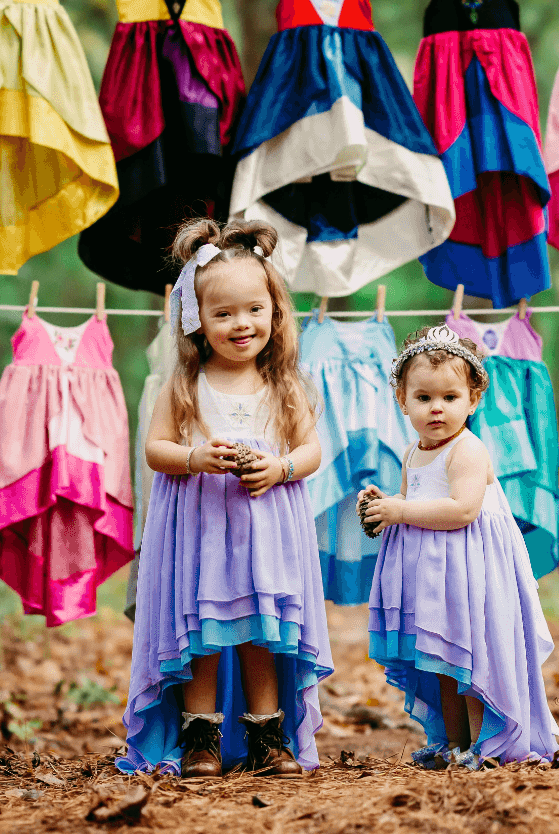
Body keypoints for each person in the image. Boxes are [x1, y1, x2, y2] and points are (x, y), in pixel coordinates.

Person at [120, 219, 331, 778]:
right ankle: (200, 739)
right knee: (204, 637)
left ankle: (267, 738)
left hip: (264, 537)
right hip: (201, 533)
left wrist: (281, 467)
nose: (242, 324)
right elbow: (155, 449)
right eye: (224, 314)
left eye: (254, 310)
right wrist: (196, 458)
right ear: (196, 321)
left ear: (274, 312)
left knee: (262, 632)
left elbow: (312, 451)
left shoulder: (285, 384)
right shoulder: (185, 385)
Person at [359, 325, 559, 768]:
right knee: (440, 657)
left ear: (472, 401)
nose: (437, 409)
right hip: (431, 572)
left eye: (450, 398)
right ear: (402, 400)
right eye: (424, 398)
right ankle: (453, 743)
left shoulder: (467, 450)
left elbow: (463, 509)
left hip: (471, 567)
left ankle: (485, 742)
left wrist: (401, 511)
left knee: (472, 654)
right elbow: (413, 501)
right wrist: (385, 505)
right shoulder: (413, 452)